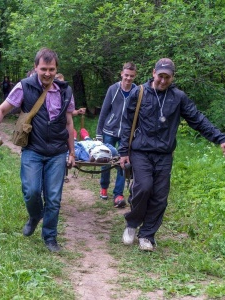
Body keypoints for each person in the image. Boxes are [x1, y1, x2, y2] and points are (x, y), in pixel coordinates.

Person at [119, 58, 225, 252]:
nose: (162, 80)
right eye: (160, 76)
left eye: (167, 77)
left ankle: (147, 235)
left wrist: (220, 138)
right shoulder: (139, 92)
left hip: (164, 155)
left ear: (172, 77)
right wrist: (123, 151)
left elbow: (198, 120)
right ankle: (132, 224)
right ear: (153, 73)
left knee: (160, 196)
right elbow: (126, 123)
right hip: (141, 151)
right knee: (143, 188)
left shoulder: (178, 97)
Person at [0, 48, 76, 252]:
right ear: (36, 67)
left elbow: (69, 124)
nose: (47, 73)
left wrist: (72, 153)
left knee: (53, 197)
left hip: (57, 152)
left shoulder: (66, 91)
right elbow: (1, 110)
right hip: (33, 149)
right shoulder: (24, 86)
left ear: (56, 68)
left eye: (51, 69)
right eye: (43, 69)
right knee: (32, 191)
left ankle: (50, 237)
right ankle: (35, 216)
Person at [96, 62, 137, 208]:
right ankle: (104, 186)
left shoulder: (137, 91)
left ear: (135, 76)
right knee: (106, 159)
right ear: (121, 74)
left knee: (123, 163)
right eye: (126, 75)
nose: (128, 78)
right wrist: (99, 133)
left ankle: (118, 194)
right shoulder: (113, 89)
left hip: (126, 134)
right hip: (109, 131)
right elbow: (104, 111)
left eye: (131, 76)